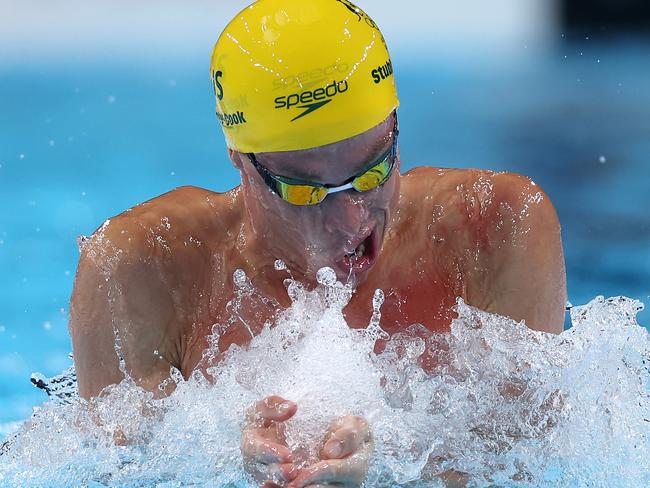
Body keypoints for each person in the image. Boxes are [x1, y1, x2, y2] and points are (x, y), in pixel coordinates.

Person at [69, 0, 567, 486]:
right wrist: (224, 466)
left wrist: (388, 467)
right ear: (240, 159)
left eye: (373, 172)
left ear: (395, 127)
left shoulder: (494, 228)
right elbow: (111, 471)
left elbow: (521, 464)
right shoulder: (137, 268)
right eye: (306, 191)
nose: (351, 218)